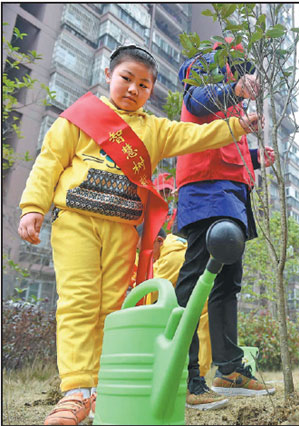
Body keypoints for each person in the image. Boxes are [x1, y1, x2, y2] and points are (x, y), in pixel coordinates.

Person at [17, 44, 260, 426]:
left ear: (152, 90)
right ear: (108, 75)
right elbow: (49, 160)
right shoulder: (80, 117)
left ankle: (102, 387)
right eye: (126, 79)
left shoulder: (155, 129)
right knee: (79, 300)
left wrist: (238, 126)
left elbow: (194, 136)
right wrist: (32, 206)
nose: (133, 89)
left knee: (114, 309)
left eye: (143, 84)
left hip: (123, 229)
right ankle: (76, 389)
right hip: (76, 222)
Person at [174, 38, 276, 404]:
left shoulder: (232, 110)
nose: (243, 77)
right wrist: (232, 89)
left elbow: (227, 148)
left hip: (232, 194)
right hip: (204, 190)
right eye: (237, 68)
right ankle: (183, 376)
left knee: (228, 280)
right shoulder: (202, 79)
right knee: (195, 277)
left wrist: (256, 158)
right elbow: (194, 102)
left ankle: (230, 369)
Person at [149, 175, 226, 410]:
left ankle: (192, 384)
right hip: (200, 348)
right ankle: (196, 380)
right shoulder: (175, 244)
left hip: (191, 352)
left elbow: (151, 300)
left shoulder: (170, 254)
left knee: (184, 314)